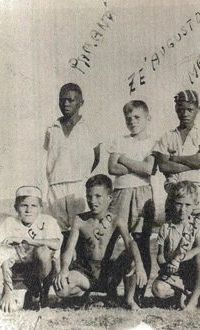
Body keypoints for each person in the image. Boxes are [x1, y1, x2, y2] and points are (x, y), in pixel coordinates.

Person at [53, 174, 147, 310]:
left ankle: (129, 300)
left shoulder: (117, 220)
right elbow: (69, 249)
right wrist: (64, 269)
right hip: (85, 271)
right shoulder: (80, 220)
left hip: (108, 272)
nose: (92, 201)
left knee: (131, 256)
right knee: (61, 290)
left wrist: (139, 265)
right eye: (89, 196)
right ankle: (83, 295)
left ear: (109, 198)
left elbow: (130, 243)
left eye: (98, 196)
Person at [107, 100, 156, 307]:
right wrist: (137, 165)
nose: (132, 121)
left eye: (137, 117)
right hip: (120, 192)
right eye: (128, 118)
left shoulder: (154, 143)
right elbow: (112, 168)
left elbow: (148, 169)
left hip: (143, 193)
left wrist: (124, 160)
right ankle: (107, 287)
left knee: (141, 242)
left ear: (147, 118)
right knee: (111, 238)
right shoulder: (119, 140)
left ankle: (138, 293)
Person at [44, 83, 100, 250]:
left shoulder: (89, 128)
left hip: (78, 186)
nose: (66, 104)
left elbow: (97, 157)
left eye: (71, 100)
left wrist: (82, 176)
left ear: (80, 103)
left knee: (81, 231)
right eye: (62, 100)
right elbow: (49, 157)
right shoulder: (51, 129)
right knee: (58, 233)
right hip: (55, 187)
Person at [152, 90, 200, 223]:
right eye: (181, 109)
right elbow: (163, 166)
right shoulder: (168, 136)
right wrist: (194, 163)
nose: (185, 114)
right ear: (176, 109)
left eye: (190, 110)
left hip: (198, 191)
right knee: (174, 236)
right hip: (174, 192)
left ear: (198, 109)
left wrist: (175, 158)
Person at [0, 186, 63, 312]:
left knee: (43, 251)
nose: (28, 210)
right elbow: (4, 259)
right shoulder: (9, 223)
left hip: (42, 271)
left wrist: (24, 239)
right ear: (16, 207)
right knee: (12, 307)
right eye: (23, 205)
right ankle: (29, 293)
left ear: (40, 208)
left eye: (33, 206)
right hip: (20, 272)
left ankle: (42, 293)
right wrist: (8, 291)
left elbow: (56, 244)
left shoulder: (48, 221)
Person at [151, 181, 200, 311]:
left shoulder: (197, 223)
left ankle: (193, 301)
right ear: (172, 203)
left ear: (194, 205)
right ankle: (180, 295)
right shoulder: (166, 227)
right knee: (157, 289)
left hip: (191, 271)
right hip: (173, 273)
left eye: (188, 205)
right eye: (179, 204)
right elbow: (160, 255)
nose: (183, 209)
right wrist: (167, 266)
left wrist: (179, 259)